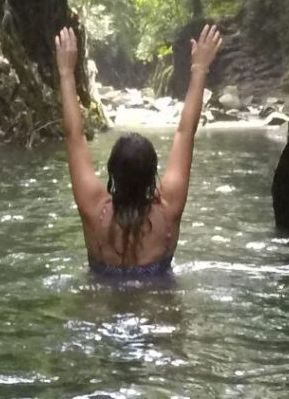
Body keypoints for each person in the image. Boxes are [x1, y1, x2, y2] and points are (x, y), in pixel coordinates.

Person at [54, 23, 222, 277]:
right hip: (161, 307)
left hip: (102, 308)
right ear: (153, 174)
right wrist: (199, 69)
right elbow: (185, 132)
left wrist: (66, 73)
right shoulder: (169, 210)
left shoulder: (93, 211)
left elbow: (74, 137)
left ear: (112, 173)